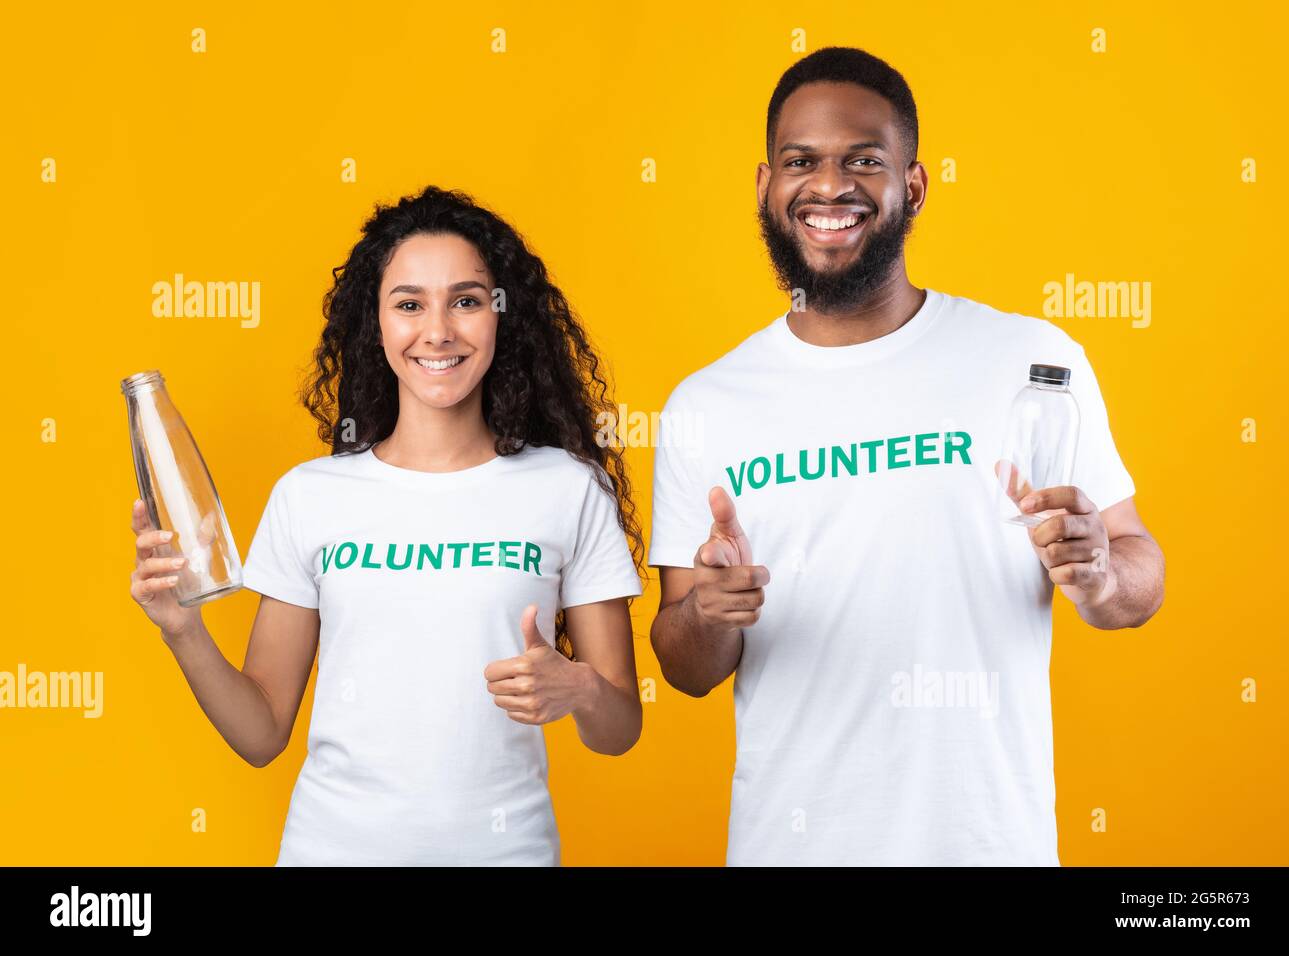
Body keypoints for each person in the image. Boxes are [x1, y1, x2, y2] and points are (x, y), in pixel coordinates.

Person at [647, 47, 1165, 865]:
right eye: (801, 162)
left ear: (912, 187)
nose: (828, 187)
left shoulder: (1033, 363)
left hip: (990, 844)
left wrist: (1099, 571)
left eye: (863, 160)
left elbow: (1137, 583)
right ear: (764, 186)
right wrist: (709, 611)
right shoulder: (705, 407)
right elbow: (685, 668)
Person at [129, 185, 645, 865]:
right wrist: (182, 631)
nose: (438, 331)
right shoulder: (310, 498)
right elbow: (261, 734)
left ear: (500, 317)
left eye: (465, 300)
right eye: (409, 304)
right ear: (377, 324)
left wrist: (579, 687)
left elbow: (618, 730)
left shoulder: (567, 489)